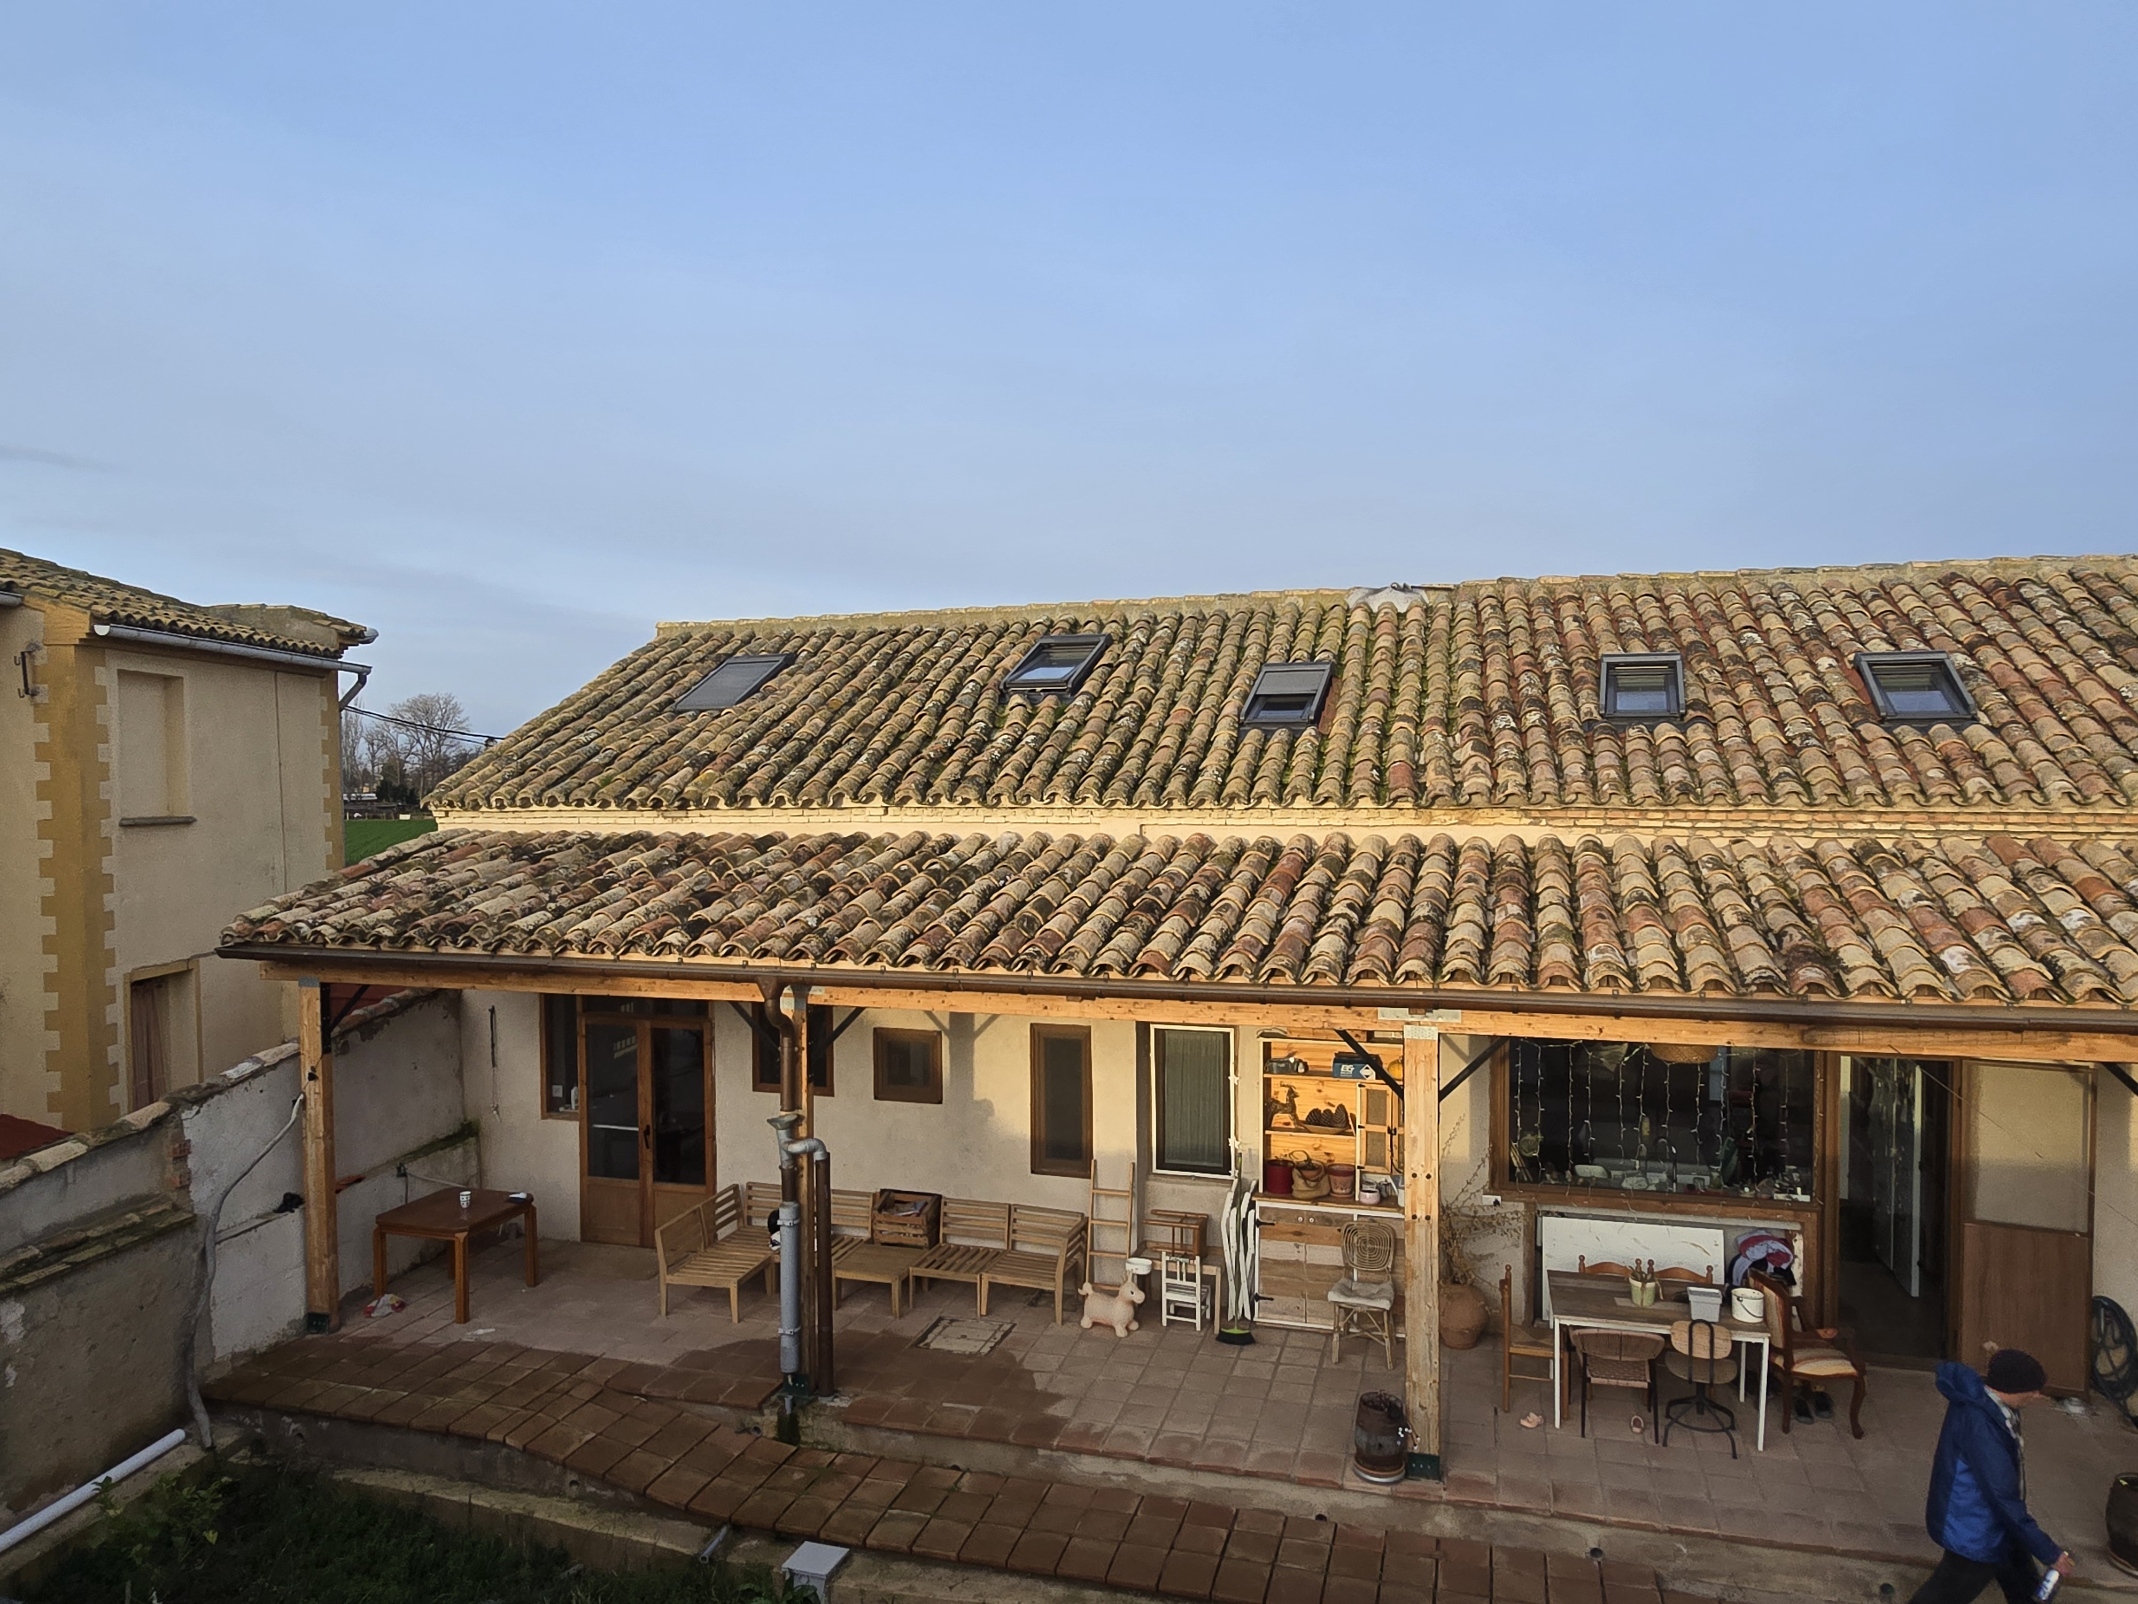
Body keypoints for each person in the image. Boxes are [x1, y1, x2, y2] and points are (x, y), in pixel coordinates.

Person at [1909, 1349, 2074, 1603]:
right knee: (1946, 1593)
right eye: (2033, 1389)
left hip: (1994, 1524)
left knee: (2025, 1587)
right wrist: (2049, 1552)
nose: (2037, 1395)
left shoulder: (1990, 1407)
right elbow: (2002, 1495)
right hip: (1974, 1530)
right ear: (2014, 1388)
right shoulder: (1982, 1426)